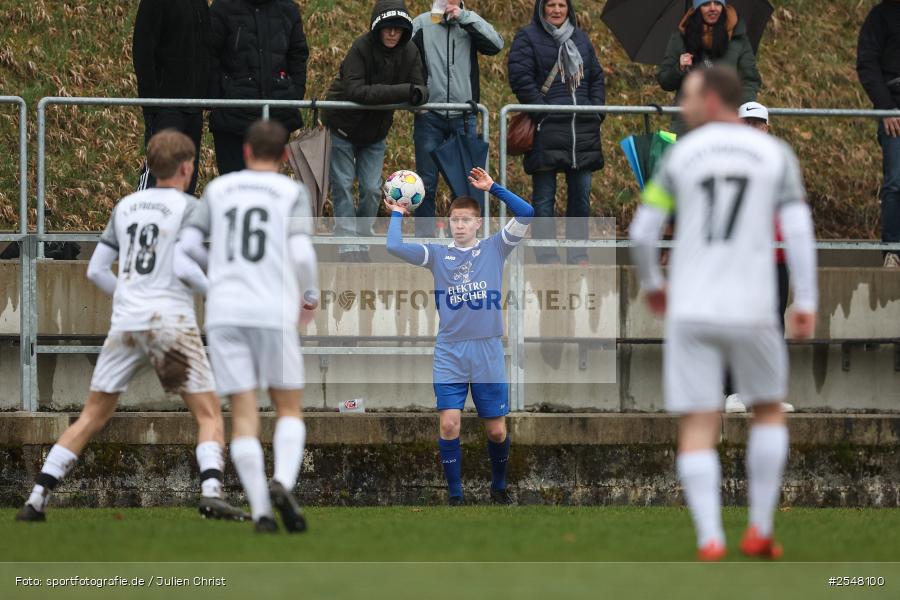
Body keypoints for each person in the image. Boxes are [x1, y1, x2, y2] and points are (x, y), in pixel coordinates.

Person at [629, 67, 818, 560]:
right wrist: (807, 300)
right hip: (754, 306)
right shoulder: (775, 155)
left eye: (688, 96)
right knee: (768, 410)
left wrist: (652, 284)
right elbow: (798, 229)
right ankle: (758, 529)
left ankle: (710, 538)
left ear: (712, 100)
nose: (682, 104)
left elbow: (644, 232)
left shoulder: (681, 156)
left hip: (692, 307)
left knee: (698, 420)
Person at [15, 130, 246, 523]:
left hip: (127, 324)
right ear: (187, 168)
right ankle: (211, 492)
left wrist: (127, 294)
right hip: (169, 323)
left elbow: (95, 270)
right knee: (207, 414)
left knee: (91, 417)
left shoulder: (126, 207)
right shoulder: (191, 208)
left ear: (151, 167)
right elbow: (187, 262)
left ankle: (37, 498)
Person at [176, 120, 319, 534]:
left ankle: (260, 513)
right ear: (286, 156)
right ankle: (283, 482)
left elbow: (186, 248)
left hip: (225, 312)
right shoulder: (291, 191)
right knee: (288, 406)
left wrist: (217, 273)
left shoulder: (219, 189)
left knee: (243, 412)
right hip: (273, 308)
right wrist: (308, 295)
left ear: (245, 152)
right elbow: (301, 251)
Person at [385, 167, 534, 505]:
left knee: (496, 430)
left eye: (466, 220)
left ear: (478, 223)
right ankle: (455, 497)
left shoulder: (496, 247)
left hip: (487, 351)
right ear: (449, 223)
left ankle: (498, 488)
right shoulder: (438, 254)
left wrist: (493, 187)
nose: (460, 225)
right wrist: (397, 212)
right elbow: (394, 246)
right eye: (455, 220)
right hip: (450, 351)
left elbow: (526, 212)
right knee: (450, 424)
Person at [322, 0, 429, 262]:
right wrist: (403, 91)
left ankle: (364, 238)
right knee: (343, 185)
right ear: (377, 29)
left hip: (375, 132)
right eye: (387, 28)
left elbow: (421, 90)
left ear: (404, 31)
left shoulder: (411, 51)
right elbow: (356, 91)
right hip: (342, 127)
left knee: (371, 189)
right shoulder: (360, 48)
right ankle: (348, 244)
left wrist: (412, 92)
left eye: (398, 28)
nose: (392, 33)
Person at [508, 0, 605, 265]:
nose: (557, 10)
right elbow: (520, 76)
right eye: (551, 4)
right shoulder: (528, 37)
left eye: (562, 4)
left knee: (581, 197)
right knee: (543, 198)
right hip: (546, 130)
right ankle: (546, 253)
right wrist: (542, 111)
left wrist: (596, 111)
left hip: (581, 132)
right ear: (542, 8)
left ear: (568, 9)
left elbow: (596, 77)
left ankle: (578, 253)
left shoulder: (581, 39)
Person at [411, 0, 504, 237]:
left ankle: (463, 242)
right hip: (429, 115)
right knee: (426, 183)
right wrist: (415, 98)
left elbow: (496, 44)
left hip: (464, 116)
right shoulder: (420, 23)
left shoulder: (469, 22)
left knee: (466, 184)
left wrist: (465, 17)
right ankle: (425, 240)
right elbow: (401, 61)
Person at [725, 101, 795, 415]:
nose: (752, 129)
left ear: (766, 128)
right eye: (746, 124)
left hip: (776, 255)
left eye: (757, 124)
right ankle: (734, 390)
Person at [207, 0, 309, 175]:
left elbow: (298, 54)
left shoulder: (288, 9)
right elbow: (209, 55)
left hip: (276, 117)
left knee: (268, 187)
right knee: (235, 187)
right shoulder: (222, 8)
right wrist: (222, 95)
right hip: (232, 119)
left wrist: (293, 93)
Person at [133, 0, 210, 195]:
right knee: (159, 168)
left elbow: (206, 48)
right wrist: (151, 101)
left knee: (187, 173)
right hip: (165, 106)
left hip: (194, 105)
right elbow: (143, 48)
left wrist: (205, 93)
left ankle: (180, 223)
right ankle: (144, 218)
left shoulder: (200, 3)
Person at [657, 0, 761, 134]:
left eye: (717, 3)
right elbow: (664, 80)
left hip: (727, 126)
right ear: (696, 8)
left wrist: (739, 109)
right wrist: (680, 68)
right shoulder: (681, 38)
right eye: (706, 4)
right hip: (687, 126)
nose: (713, 8)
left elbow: (750, 80)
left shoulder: (738, 40)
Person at [857, 0, 900, 268]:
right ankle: (893, 250)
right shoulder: (881, 16)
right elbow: (867, 63)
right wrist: (886, 108)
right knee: (896, 180)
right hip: (895, 109)